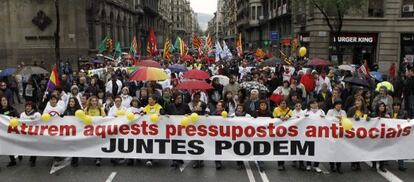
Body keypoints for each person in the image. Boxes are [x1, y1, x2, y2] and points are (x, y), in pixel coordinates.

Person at [165, 94, 191, 169]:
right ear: (174, 99)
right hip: (173, 129)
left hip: (183, 128)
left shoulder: (185, 106)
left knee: (181, 144)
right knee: (174, 143)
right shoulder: (170, 106)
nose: (180, 99)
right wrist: (165, 115)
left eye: (181, 98)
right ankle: (175, 160)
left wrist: (188, 114)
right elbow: (164, 112)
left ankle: (180, 158)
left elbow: (190, 113)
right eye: (178, 98)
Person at [347, 96, 370, 171]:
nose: (357, 102)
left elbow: (369, 118)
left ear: (362, 102)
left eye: (359, 101)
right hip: (353, 132)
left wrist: (368, 118)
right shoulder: (351, 109)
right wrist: (353, 118)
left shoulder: (365, 110)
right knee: (353, 148)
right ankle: (353, 163)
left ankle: (358, 163)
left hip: (361, 133)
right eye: (356, 101)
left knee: (360, 148)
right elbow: (347, 118)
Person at [142, 95, 164, 167]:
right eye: (148, 99)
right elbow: (143, 113)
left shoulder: (158, 106)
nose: (149, 100)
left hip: (157, 129)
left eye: (151, 99)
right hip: (148, 129)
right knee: (149, 143)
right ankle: (149, 159)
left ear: (155, 100)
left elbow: (162, 112)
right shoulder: (147, 107)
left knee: (156, 143)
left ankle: (156, 157)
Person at [303, 99, 324, 173]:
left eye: (316, 103)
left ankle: (316, 166)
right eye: (313, 103)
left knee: (318, 150)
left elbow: (325, 122)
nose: (315, 104)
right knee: (309, 149)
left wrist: (323, 118)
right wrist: (304, 117)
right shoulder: (306, 111)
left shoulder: (321, 111)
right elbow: (300, 120)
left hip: (318, 134)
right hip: (308, 134)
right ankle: (308, 164)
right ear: (310, 105)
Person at [326, 99, 347, 174]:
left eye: (340, 104)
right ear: (334, 105)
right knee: (332, 149)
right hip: (332, 133)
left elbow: (346, 121)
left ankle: (339, 166)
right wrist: (336, 119)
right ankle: (332, 165)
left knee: (339, 150)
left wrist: (342, 119)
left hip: (340, 134)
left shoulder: (343, 112)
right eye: (337, 104)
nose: (339, 105)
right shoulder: (330, 111)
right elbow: (327, 120)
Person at [272, 99, 292, 171]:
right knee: (279, 148)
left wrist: (288, 117)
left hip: (287, 133)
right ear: (279, 104)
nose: (283, 105)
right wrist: (280, 117)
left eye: (284, 103)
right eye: (282, 103)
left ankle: (283, 163)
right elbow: (276, 116)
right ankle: (280, 164)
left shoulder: (289, 110)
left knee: (285, 148)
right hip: (278, 132)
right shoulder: (276, 109)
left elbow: (291, 116)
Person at [0, 96, 20, 167]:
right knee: (7, 146)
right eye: (2, 100)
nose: (4, 101)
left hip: (13, 131)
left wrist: (14, 118)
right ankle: (12, 160)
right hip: (3, 133)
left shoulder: (12, 109)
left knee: (16, 145)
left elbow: (18, 117)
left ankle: (20, 153)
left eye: (5, 100)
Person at [370, 102, 389, 172]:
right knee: (375, 150)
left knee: (383, 151)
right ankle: (374, 165)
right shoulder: (373, 114)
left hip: (383, 136)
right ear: (378, 107)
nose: (382, 107)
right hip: (375, 135)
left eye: (383, 106)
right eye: (380, 106)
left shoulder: (387, 115)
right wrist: (375, 118)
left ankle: (382, 165)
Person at [63, 97, 82, 167]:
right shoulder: (67, 111)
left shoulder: (79, 110)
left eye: (73, 102)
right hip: (69, 131)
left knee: (75, 146)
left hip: (77, 132)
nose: (71, 103)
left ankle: (75, 160)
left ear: (75, 103)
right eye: (70, 102)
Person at [391, 101, 408, 171]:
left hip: (400, 135)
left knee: (400, 149)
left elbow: (408, 122)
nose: (396, 106)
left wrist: (408, 120)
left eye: (398, 105)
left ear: (400, 107)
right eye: (395, 105)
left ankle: (401, 165)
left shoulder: (404, 113)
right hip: (390, 134)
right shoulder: (389, 113)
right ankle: (384, 162)